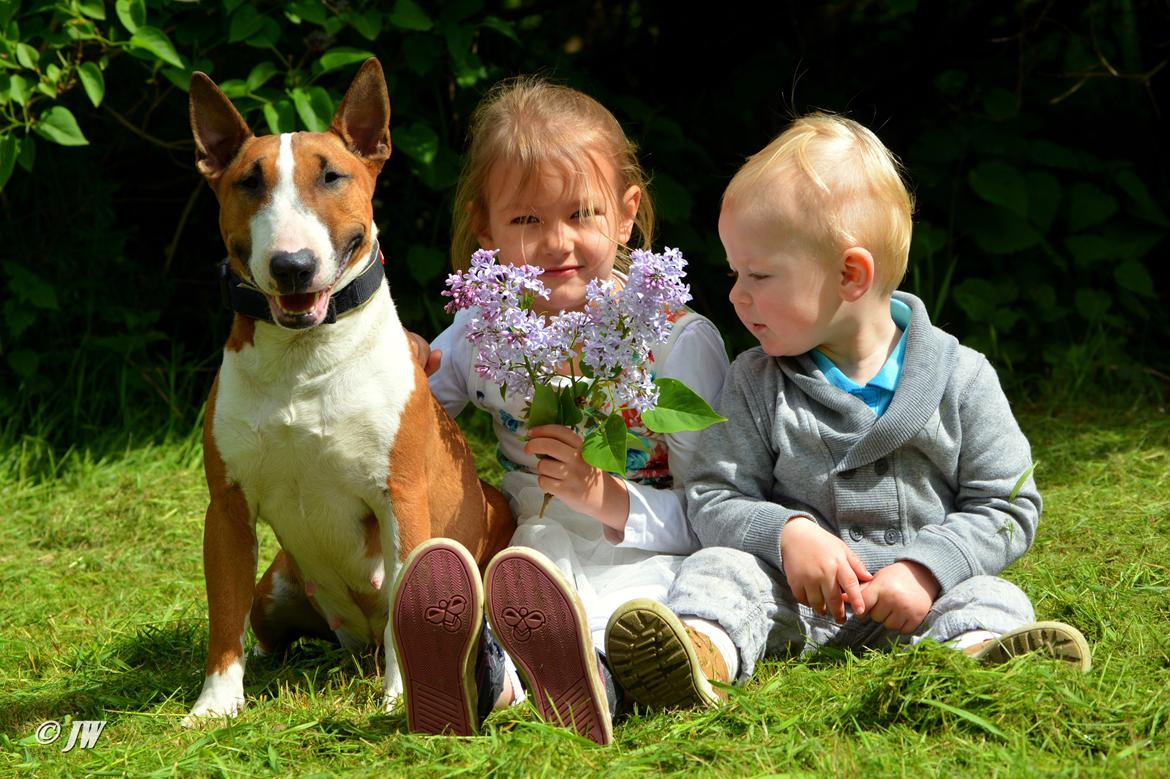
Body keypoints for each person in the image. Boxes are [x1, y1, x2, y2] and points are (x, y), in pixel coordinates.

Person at [603, 113, 1091, 710]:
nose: (735, 294)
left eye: (758, 274)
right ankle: (701, 654)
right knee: (720, 570)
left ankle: (979, 659)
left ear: (850, 275)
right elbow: (712, 495)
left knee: (992, 595)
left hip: (920, 603)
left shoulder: (962, 378)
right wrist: (787, 533)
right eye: (735, 273)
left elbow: (1007, 504)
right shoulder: (756, 380)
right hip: (795, 601)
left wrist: (928, 569)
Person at [390, 77, 729, 744]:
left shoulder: (675, 340)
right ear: (485, 229)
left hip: (643, 552)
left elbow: (716, 508)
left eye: (582, 214)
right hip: (531, 549)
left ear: (627, 214)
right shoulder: (483, 331)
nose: (557, 243)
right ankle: (487, 676)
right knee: (522, 581)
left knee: (615, 613)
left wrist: (603, 495)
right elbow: (409, 428)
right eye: (526, 220)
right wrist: (398, 365)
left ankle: (596, 678)